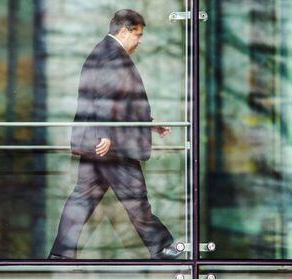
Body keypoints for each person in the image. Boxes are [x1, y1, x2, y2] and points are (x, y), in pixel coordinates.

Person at [49, 9, 180, 260]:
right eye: (138, 35)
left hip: (99, 141)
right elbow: (105, 98)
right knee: (135, 197)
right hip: (113, 145)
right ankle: (162, 247)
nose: (140, 41)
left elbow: (118, 103)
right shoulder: (113, 55)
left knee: (83, 198)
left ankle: (61, 253)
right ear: (124, 31)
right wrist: (106, 134)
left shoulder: (103, 51)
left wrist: (148, 124)